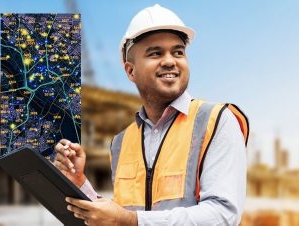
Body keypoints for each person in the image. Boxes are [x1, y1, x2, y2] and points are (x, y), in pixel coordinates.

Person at [54, 4, 249, 226]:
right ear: (130, 71)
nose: (169, 60)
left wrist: (131, 221)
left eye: (178, 52)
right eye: (155, 53)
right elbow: (117, 217)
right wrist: (79, 183)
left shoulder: (217, 121)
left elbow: (223, 215)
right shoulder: (120, 142)